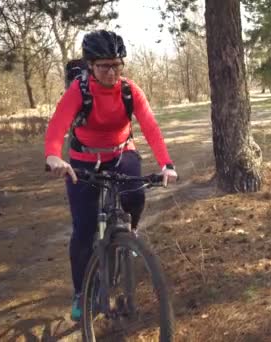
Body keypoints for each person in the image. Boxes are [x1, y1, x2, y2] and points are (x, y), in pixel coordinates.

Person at [44, 30, 177, 321]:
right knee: (83, 228)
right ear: (90, 65)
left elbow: (151, 127)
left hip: (120, 152)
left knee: (136, 195)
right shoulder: (79, 91)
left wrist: (166, 163)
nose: (111, 71)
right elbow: (57, 126)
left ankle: (130, 235)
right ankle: (81, 292)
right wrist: (53, 155)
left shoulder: (130, 90)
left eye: (117, 64)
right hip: (83, 160)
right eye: (104, 65)